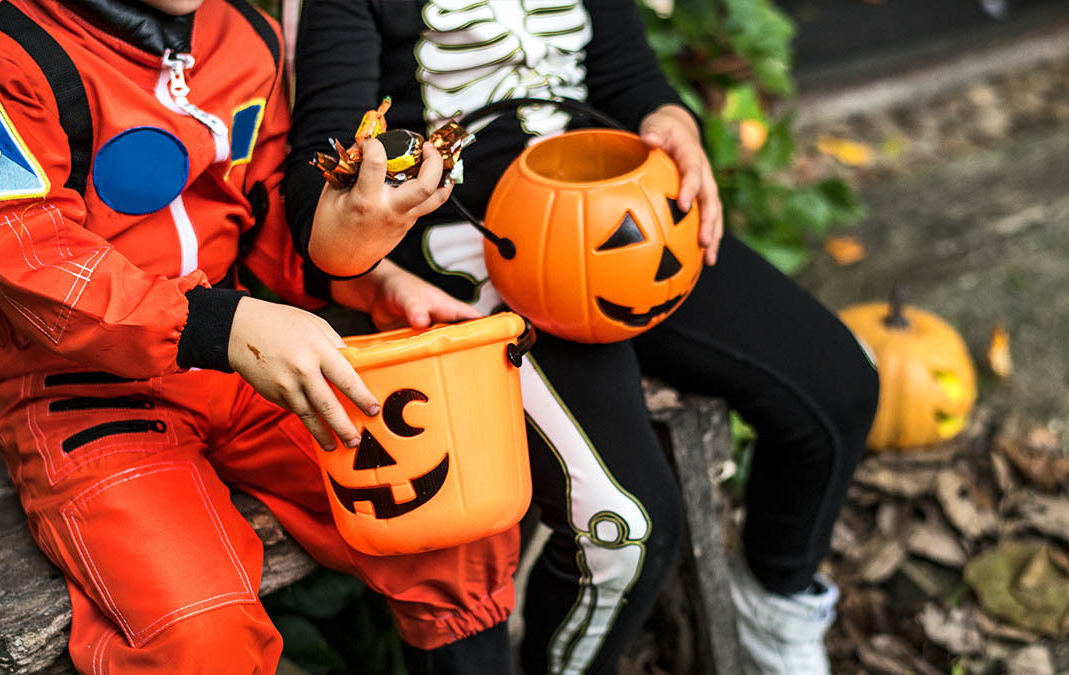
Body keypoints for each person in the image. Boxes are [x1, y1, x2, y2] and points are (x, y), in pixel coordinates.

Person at [0, 0, 523, 672]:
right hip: (82, 390)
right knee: (199, 642)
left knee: (448, 520)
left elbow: (264, 210)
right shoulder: (7, 59)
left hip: (243, 366)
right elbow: (31, 258)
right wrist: (219, 324)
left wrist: (368, 280)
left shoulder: (243, 33)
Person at [282, 1, 880, 674]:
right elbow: (317, 179)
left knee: (839, 385)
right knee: (623, 528)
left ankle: (774, 609)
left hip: (617, 214)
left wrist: (671, 123)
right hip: (472, 253)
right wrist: (367, 259)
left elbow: (630, 80)